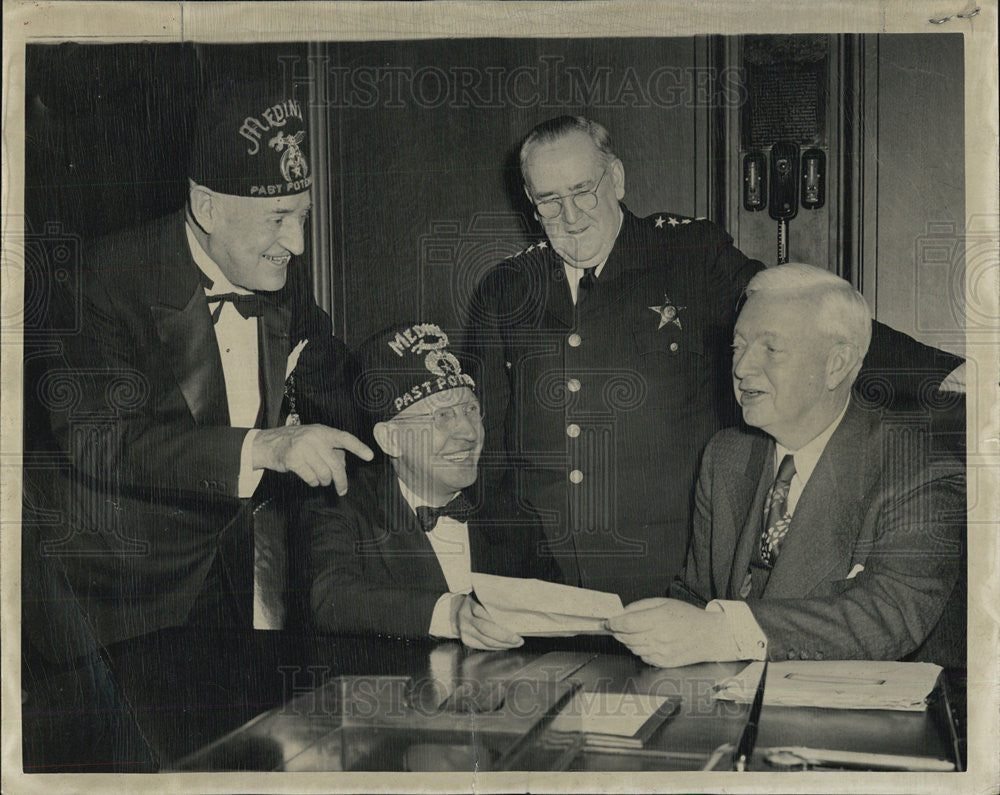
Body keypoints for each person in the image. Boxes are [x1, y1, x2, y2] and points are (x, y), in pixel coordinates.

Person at [464, 115, 964, 606]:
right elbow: (486, 443)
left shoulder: (689, 253)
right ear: (531, 204)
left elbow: (806, 322)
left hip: (667, 580)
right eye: (549, 201)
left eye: (582, 191)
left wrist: (945, 373)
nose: (570, 216)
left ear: (615, 179)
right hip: (538, 582)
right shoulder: (506, 289)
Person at [37, 81, 373, 648]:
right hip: (122, 599)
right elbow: (99, 439)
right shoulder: (101, 278)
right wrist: (263, 446)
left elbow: (328, 370)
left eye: (304, 217)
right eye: (278, 217)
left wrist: (409, 405)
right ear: (207, 206)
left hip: (240, 582)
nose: (297, 242)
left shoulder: (276, 270)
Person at [608, 264, 965, 668]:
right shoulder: (725, 456)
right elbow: (696, 596)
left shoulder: (919, 470)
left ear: (837, 364)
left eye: (771, 349)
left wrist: (722, 633)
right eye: (738, 347)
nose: (742, 368)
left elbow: (889, 615)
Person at [308, 322, 561, 649]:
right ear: (392, 439)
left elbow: (556, 624)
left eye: (471, 409)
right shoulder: (341, 504)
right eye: (442, 417)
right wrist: (450, 614)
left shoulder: (511, 511)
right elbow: (333, 600)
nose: (469, 433)